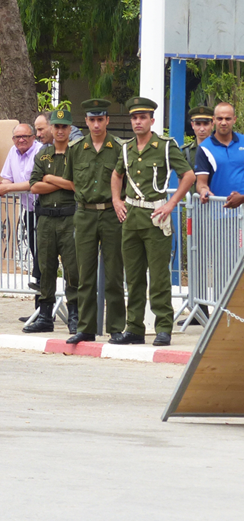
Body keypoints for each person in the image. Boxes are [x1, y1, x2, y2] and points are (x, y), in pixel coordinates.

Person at [110, 97, 194, 347]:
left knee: (158, 278)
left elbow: (187, 175)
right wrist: (117, 200)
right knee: (134, 278)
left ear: (152, 120)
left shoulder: (165, 146)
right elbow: (117, 175)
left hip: (157, 217)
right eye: (134, 118)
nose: (138, 122)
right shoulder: (126, 148)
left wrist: (171, 203)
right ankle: (134, 328)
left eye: (143, 117)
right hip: (131, 218)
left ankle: (163, 328)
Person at [63, 98, 127, 344]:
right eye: (92, 120)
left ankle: (116, 328)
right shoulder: (76, 148)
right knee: (84, 273)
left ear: (107, 120)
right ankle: (86, 327)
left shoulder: (120, 147)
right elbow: (71, 180)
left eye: (101, 119)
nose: (97, 124)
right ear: (86, 121)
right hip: (85, 213)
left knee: (113, 274)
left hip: (112, 214)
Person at [25, 108, 80, 334]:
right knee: (46, 267)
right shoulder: (42, 155)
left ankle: (75, 314)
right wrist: (63, 182)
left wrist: (51, 178)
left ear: (69, 128)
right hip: (46, 218)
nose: (59, 130)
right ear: (51, 128)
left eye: (63, 126)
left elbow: (79, 185)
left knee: (72, 268)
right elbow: (34, 186)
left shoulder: (77, 153)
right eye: (56, 126)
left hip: (70, 217)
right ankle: (45, 316)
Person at [0, 124, 43, 296]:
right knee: (36, 254)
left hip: (45, 210)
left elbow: (35, 183)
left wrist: (8, 188)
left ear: (33, 137)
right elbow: (8, 179)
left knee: (43, 257)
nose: (21, 140)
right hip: (29, 210)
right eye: (17, 137)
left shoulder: (40, 151)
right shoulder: (13, 152)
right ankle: (41, 310)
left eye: (25, 136)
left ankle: (45, 309)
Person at [195, 102, 244, 209]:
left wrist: (242, 198)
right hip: (219, 214)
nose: (223, 122)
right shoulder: (204, 148)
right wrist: (204, 190)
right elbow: (201, 183)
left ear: (234, 120)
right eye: (220, 118)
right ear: (213, 120)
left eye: (228, 119)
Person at [183, 106, 214, 171]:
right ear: (192, 125)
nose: (202, 129)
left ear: (212, 125)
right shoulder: (187, 152)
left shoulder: (221, 149)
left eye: (206, 124)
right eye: (198, 124)